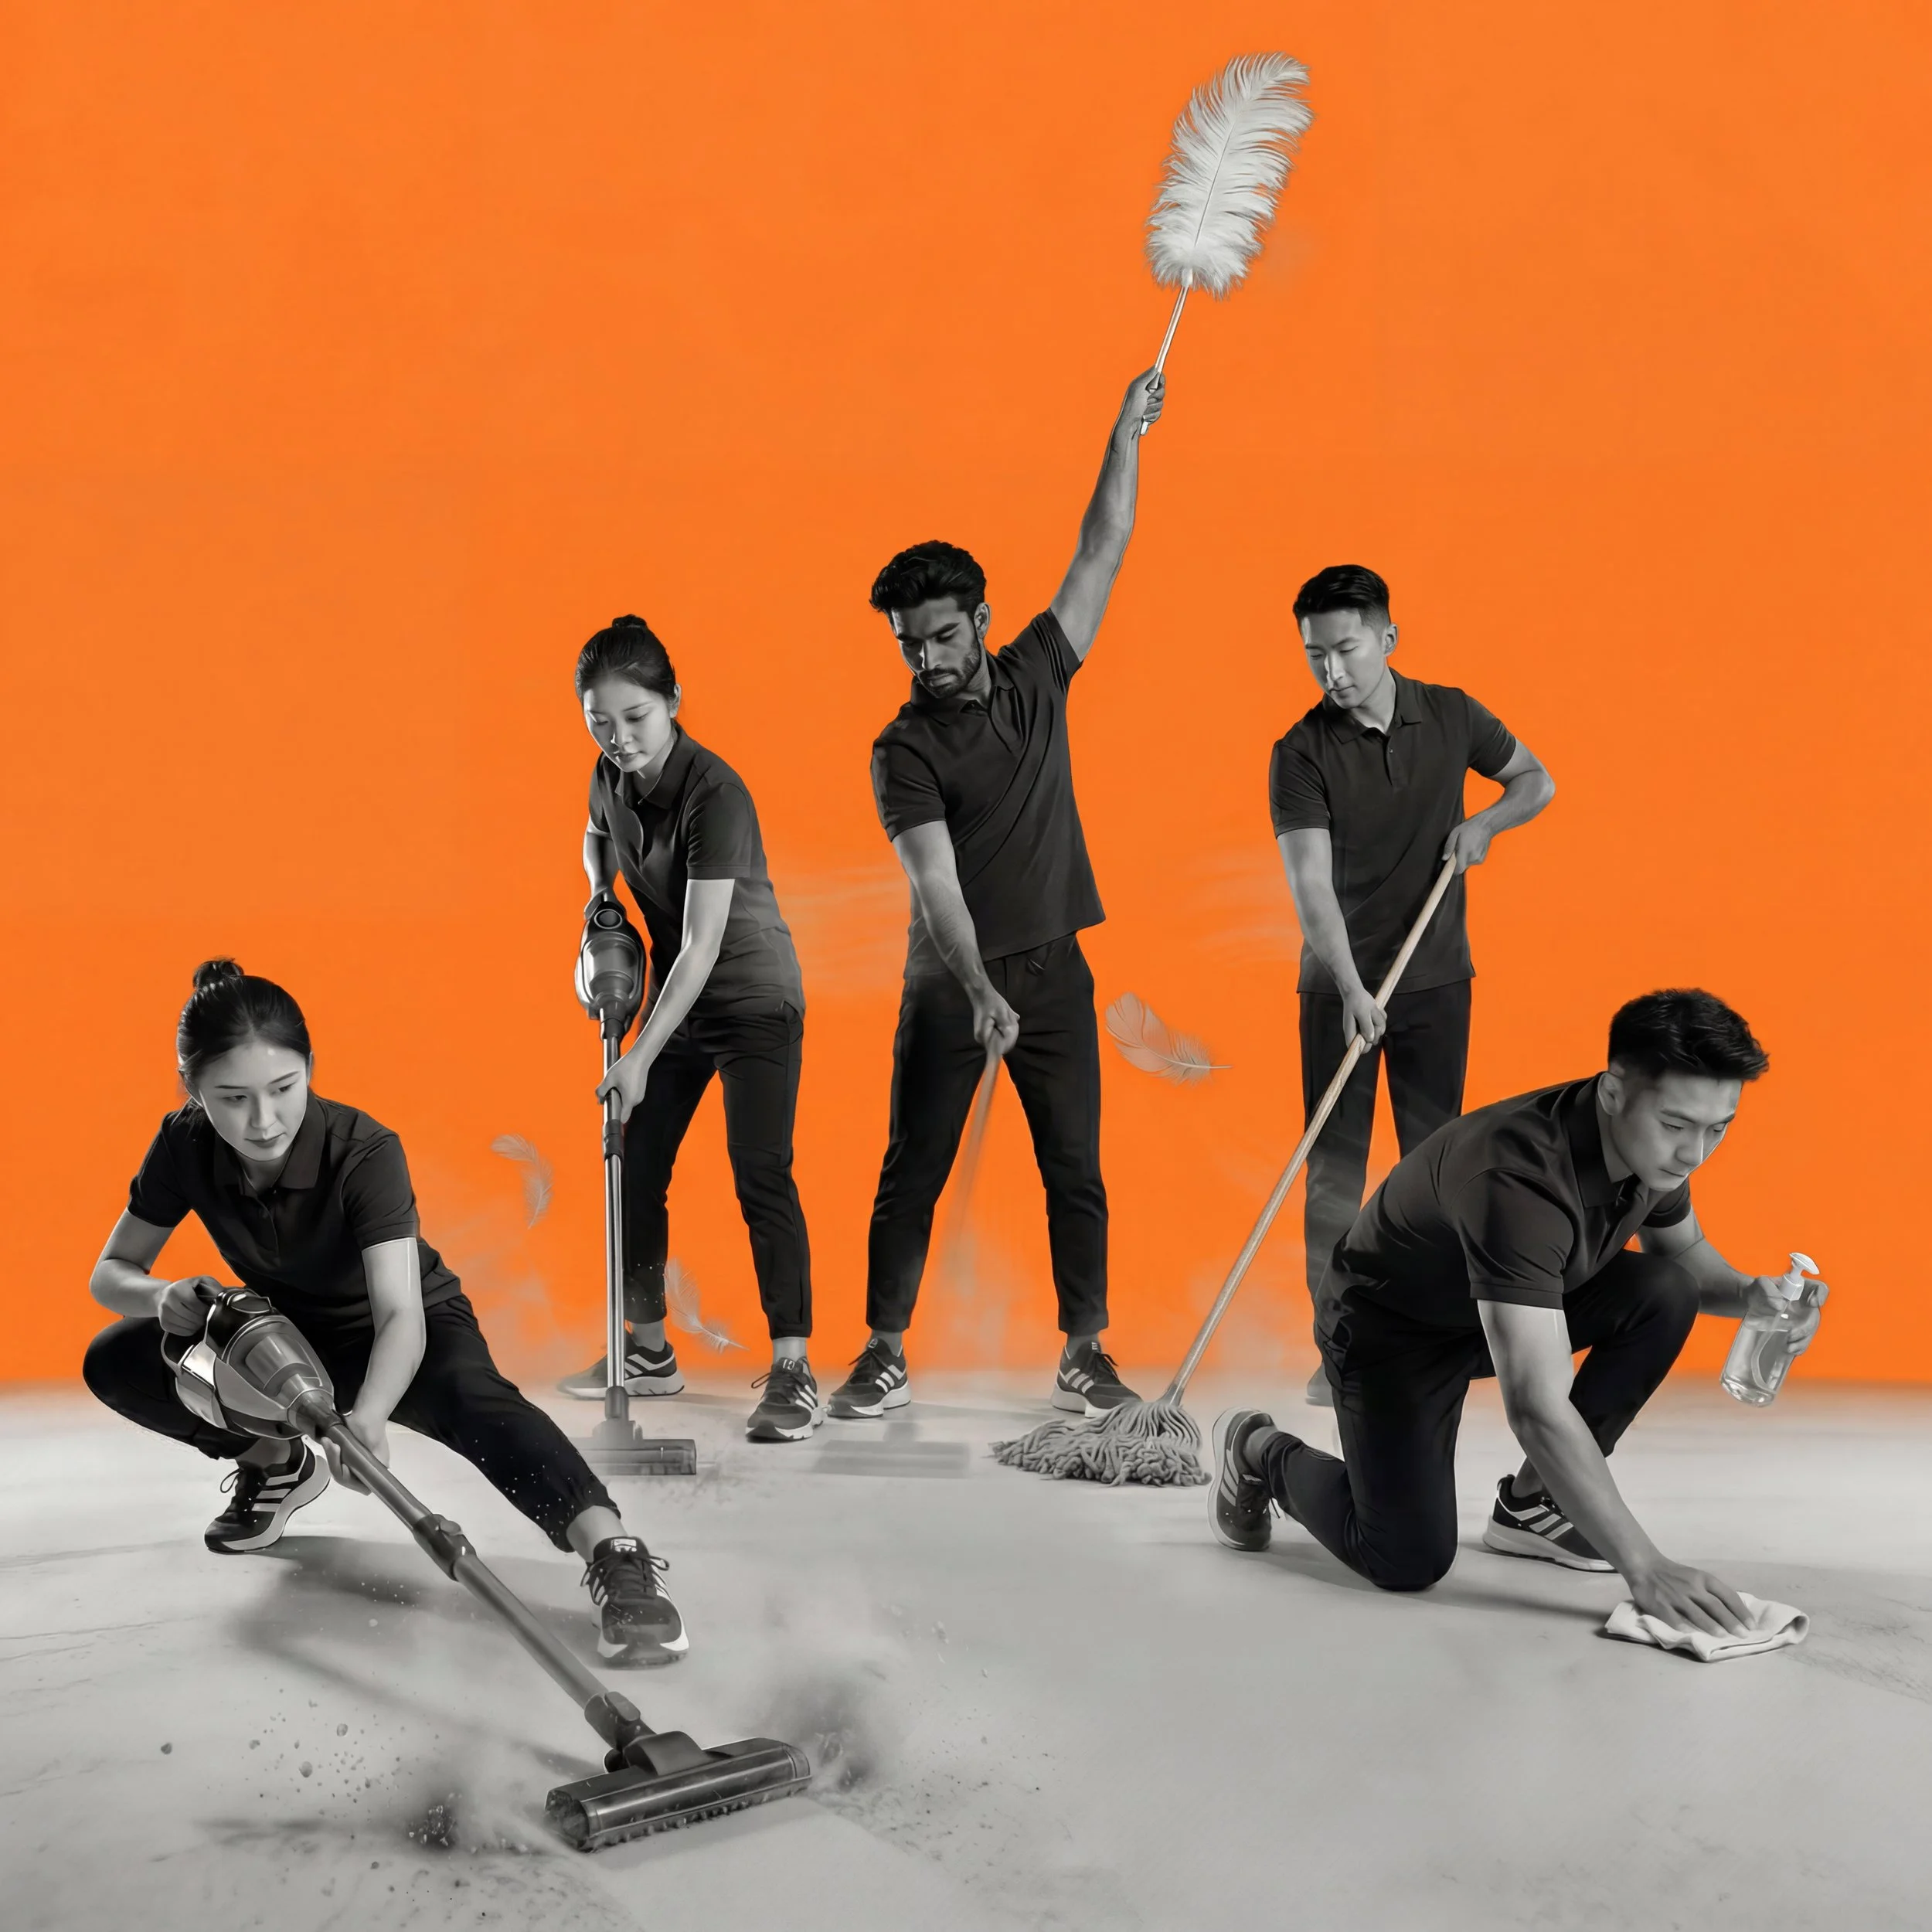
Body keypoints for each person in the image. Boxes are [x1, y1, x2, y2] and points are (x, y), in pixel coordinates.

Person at [82, 961, 686, 1665]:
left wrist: (367, 1419)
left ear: (311, 1067)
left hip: (402, 1327)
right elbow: (110, 1273)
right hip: (284, 1336)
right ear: (193, 1091)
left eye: (283, 1089)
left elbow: (401, 1313)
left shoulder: (364, 1151)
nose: (263, 1120)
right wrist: (160, 1297)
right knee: (120, 1359)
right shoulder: (184, 1142)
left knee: (477, 1401)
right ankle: (277, 1466)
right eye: (232, 1098)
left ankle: (615, 1555)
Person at [1209, 990, 1825, 1636]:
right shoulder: (1518, 1181)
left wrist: (1754, 1295)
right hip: (1390, 1332)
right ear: (1614, 1093)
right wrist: (1644, 1567)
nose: (1695, 1152)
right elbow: (1534, 1406)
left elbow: (1688, 1257)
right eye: (1677, 1126)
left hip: (1499, 1308)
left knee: (1666, 1290)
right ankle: (1257, 1449)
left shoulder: (1648, 1147)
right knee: (1405, 1558)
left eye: (1717, 1127)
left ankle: (1533, 1507)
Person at [828, 367, 1165, 1423]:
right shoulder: (902, 748)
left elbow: (1101, 548)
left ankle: (1084, 1351)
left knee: (1076, 1167)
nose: (925, 658)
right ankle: (883, 1349)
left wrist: (1124, 434)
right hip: (950, 981)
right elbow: (936, 885)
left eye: (939, 635)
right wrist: (974, 987)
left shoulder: (1037, 674)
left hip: (1057, 969)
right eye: (907, 644)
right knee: (912, 1168)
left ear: (980, 619)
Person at [1271, 564, 1554, 1404]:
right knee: (1334, 1173)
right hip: (1338, 990)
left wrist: (1484, 824)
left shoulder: (1453, 714)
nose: (1332, 670)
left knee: (1434, 1169)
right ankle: (1339, 1348)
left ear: (1388, 638)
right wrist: (1354, 989)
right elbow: (1310, 888)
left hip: (1435, 981)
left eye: (1346, 649)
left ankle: (1431, 1340)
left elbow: (1535, 780)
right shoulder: (1300, 753)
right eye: (1315, 655)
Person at [556, 614, 820, 1444]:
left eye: (636, 717)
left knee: (760, 1172)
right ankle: (647, 1350)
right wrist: (599, 894)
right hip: (680, 995)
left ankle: (793, 1367)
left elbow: (703, 943)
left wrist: (637, 1052)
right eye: (601, 720)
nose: (620, 737)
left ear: (673, 701)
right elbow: (597, 837)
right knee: (635, 1160)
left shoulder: (716, 794)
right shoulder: (609, 773)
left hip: (750, 996)